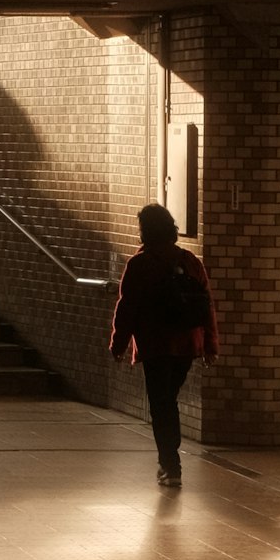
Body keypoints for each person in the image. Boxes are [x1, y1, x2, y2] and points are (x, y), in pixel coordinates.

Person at [110, 203, 219, 488]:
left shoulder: (140, 264)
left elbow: (128, 308)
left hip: (156, 344)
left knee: (162, 404)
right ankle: (171, 464)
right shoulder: (190, 261)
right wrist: (210, 346)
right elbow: (206, 306)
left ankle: (171, 466)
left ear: (145, 230)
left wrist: (118, 344)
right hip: (187, 344)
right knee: (168, 401)